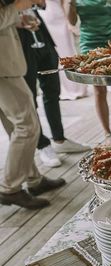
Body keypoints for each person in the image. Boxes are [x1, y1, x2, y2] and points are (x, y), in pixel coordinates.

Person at [0, 0, 66, 209]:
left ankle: (34, 180)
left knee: (15, 126)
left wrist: (18, 20)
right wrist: (21, 5)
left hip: (7, 63)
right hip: (3, 67)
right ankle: (10, 188)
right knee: (27, 126)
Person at [18, 6, 89, 168]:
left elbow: (41, 4)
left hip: (42, 37)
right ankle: (42, 145)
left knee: (52, 92)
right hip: (21, 44)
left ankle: (59, 139)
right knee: (31, 97)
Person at [67, 0, 111, 144]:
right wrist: (71, 4)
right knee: (99, 90)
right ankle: (108, 133)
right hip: (88, 43)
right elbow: (72, 21)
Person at [39, 0, 88, 100]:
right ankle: (61, 89)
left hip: (60, 19)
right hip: (46, 18)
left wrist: (69, 23)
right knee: (54, 55)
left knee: (67, 52)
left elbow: (65, 2)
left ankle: (75, 87)